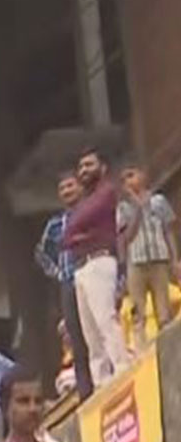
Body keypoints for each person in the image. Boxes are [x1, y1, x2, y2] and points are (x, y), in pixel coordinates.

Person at [62, 147, 129, 386]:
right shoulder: (86, 201)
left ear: (103, 168)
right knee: (90, 334)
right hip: (81, 268)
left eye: (89, 165)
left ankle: (122, 368)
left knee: (105, 321)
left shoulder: (107, 190)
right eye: (80, 167)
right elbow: (67, 237)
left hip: (99, 261)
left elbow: (76, 224)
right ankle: (103, 382)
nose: (83, 171)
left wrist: (79, 230)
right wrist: (80, 231)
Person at [35, 170, 94, 400]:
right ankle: (85, 391)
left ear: (80, 187)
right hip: (68, 282)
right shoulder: (55, 224)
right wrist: (57, 272)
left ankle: (104, 378)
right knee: (76, 338)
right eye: (63, 189)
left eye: (71, 186)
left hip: (91, 273)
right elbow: (41, 253)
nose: (67, 191)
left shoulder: (92, 213)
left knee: (97, 328)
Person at [117, 162, 179, 346]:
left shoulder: (158, 201)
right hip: (136, 263)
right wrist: (137, 208)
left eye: (131, 175)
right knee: (138, 312)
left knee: (164, 310)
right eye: (124, 179)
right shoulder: (123, 208)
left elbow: (168, 230)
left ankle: (167, 349)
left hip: (159, 260)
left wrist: (174, 260)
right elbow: (126, 237)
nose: (128, 181)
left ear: (142, 176)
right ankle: (141, 350)